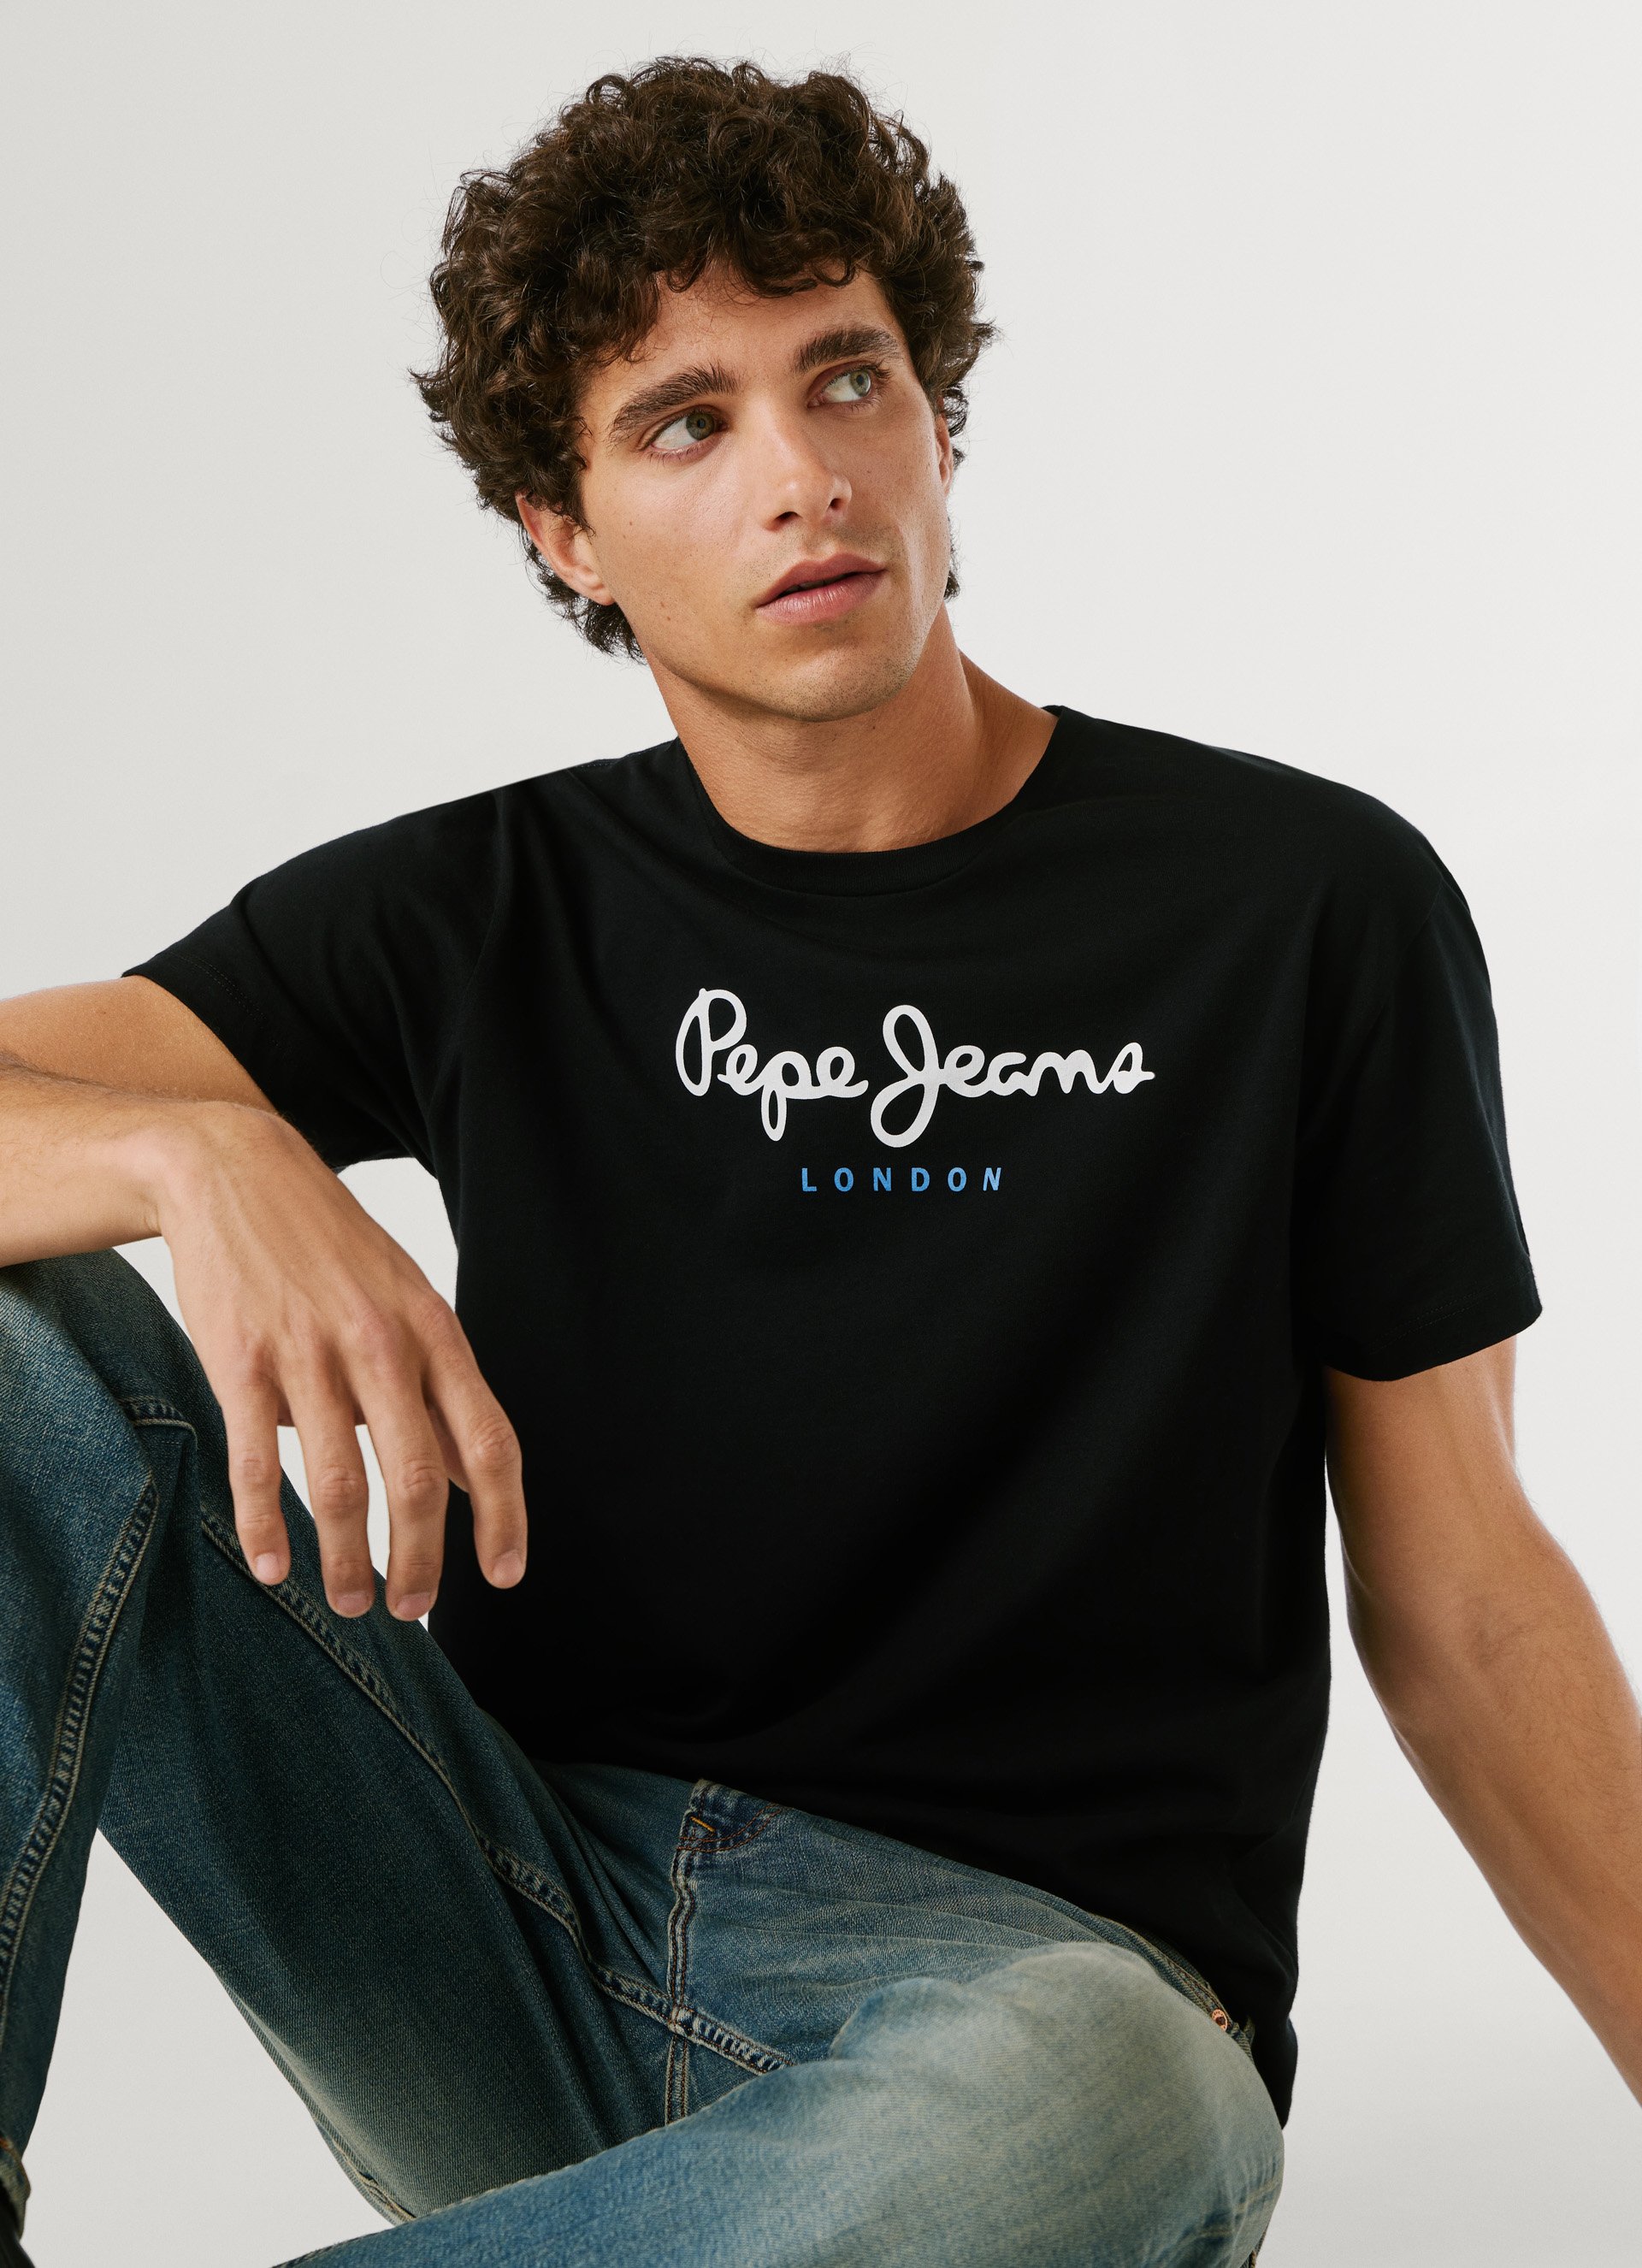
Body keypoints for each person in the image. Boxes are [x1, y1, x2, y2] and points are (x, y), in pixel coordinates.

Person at [0, 53, 1636, 2268]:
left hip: (1030, 2019)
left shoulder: (1300, 908)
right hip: (507, 1908)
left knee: (1130, 2082)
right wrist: (194, 1155)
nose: (802, 475)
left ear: (939, 427)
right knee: (22, 1321)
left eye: (846, 378)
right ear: (563, 527)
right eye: (688, 421)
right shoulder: (476, 915)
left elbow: (1469, 1601)